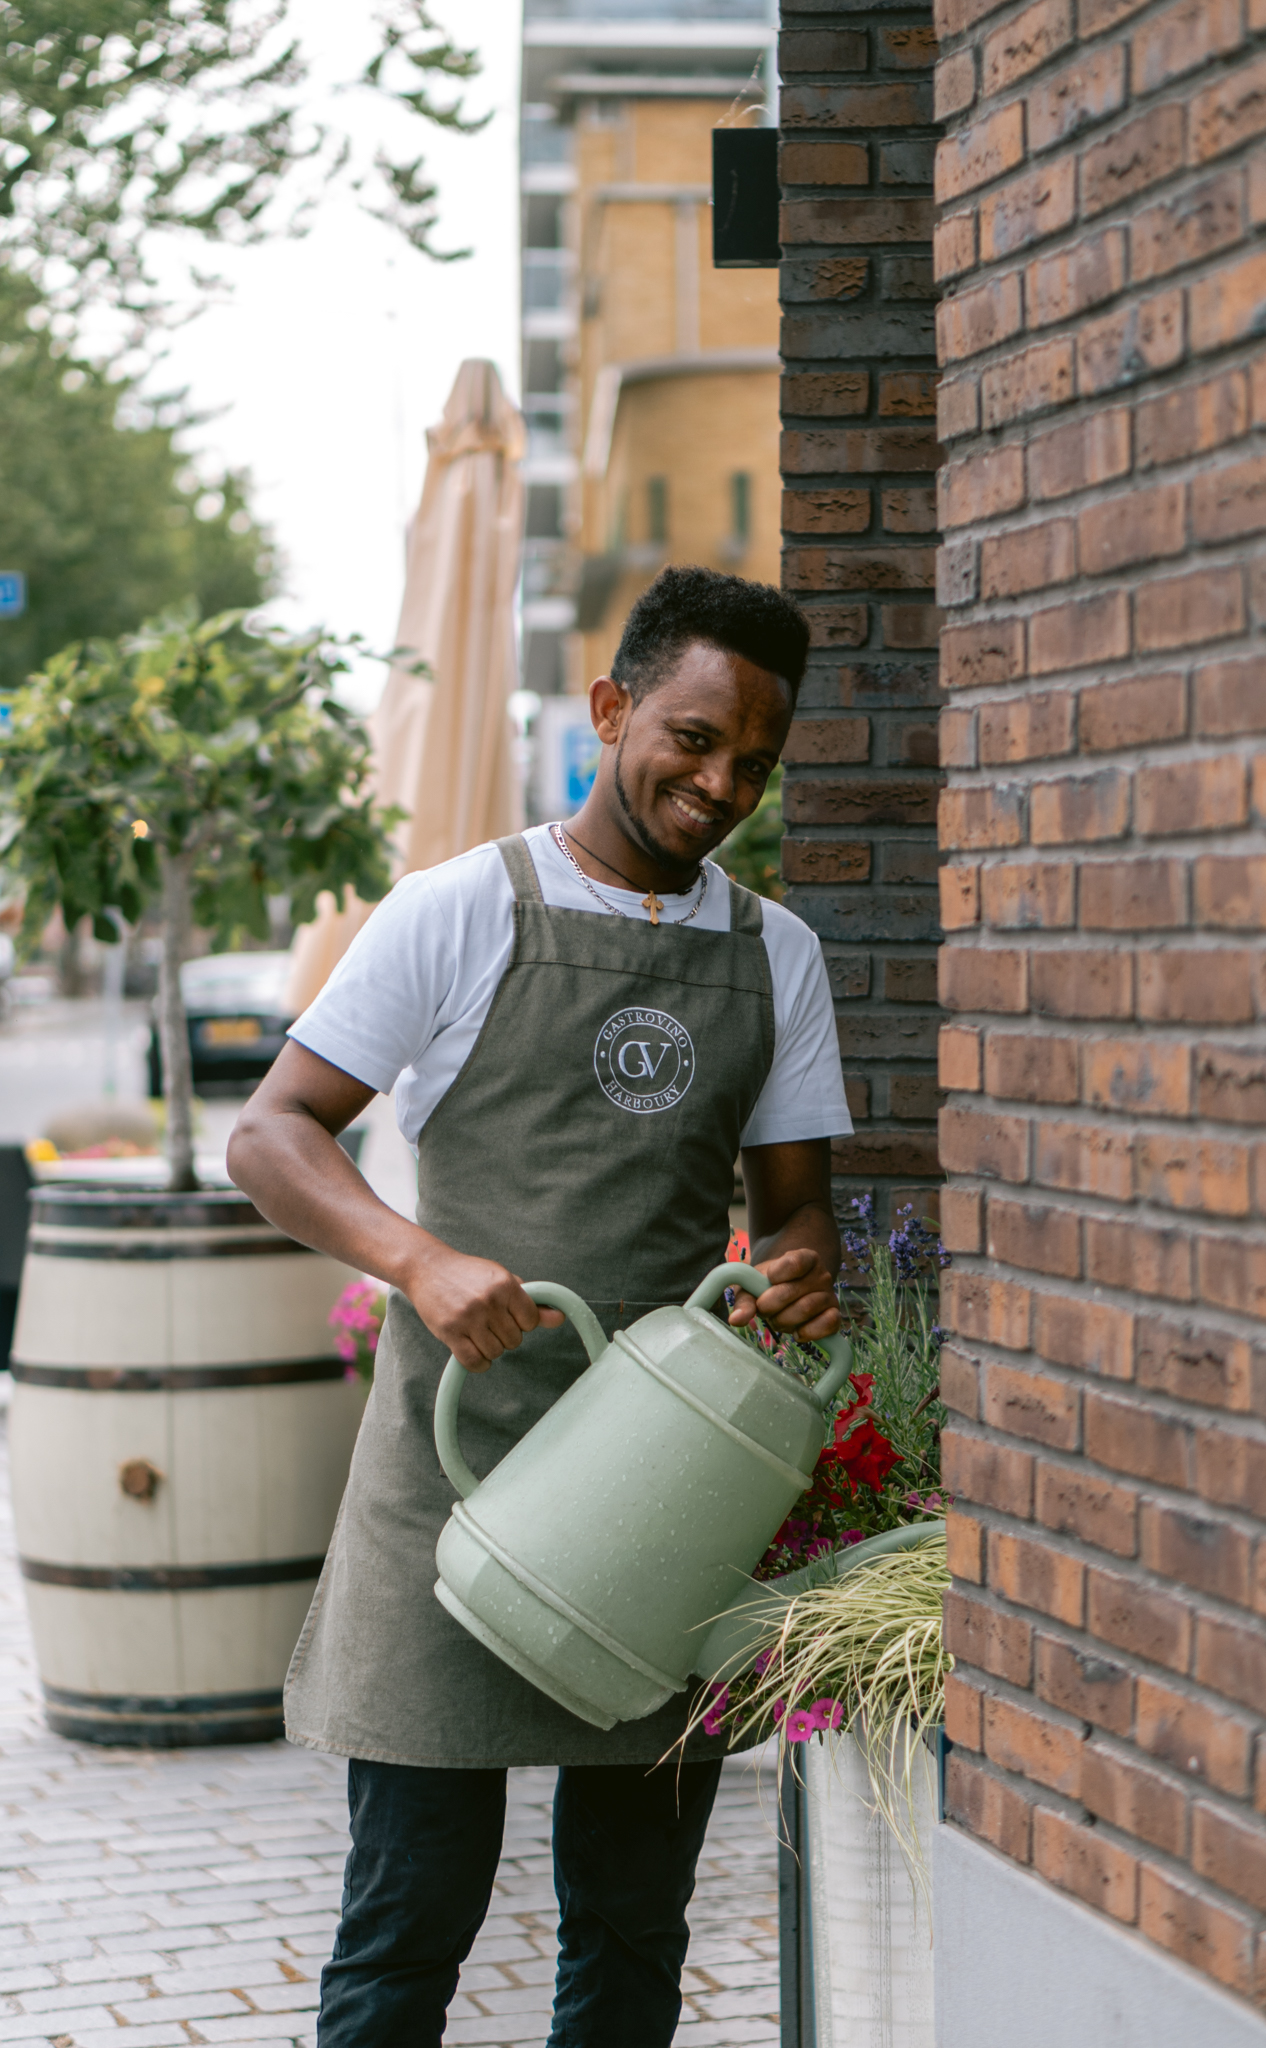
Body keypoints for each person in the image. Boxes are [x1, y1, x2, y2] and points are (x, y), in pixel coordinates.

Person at [227, 565, 853, 2047]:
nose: (719, 784)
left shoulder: (778, 957)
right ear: (612, 709)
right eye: (692, 739)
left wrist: (799, 1269)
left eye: (752, 763)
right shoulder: (458, 909)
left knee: (632, 1929)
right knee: (405, 1928)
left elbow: (795, 1210)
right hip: (450, 1475)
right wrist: (418, 1259)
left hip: (661, 1493)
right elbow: (271, 1135)